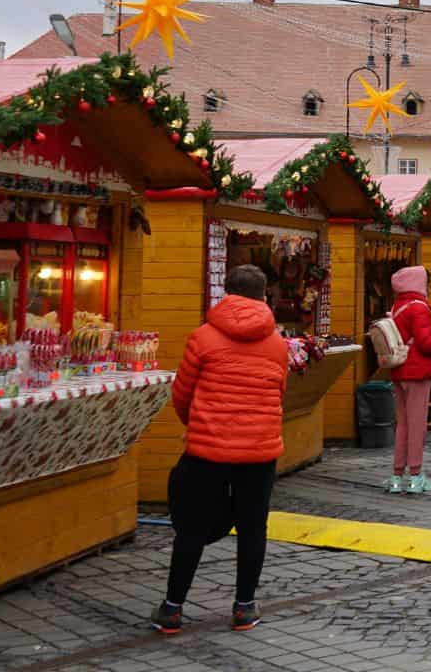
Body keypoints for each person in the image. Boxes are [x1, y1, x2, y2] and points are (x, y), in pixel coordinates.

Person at [155, 265, 290, 634]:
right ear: (264, 296)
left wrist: (200, 423)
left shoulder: (203, 337)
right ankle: (244, 606)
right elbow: (278, 393)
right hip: (259, 453)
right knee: (252, 528)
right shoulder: (277, 344)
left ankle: (172, 608)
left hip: (207, 450)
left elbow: (182, 393)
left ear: (225, 292)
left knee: (192, 529)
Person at [386, 266, 431, 494]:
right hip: (417, 372)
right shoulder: (419, 307)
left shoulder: (398, 306)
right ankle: (415, 476)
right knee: (417, 425)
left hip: (399, 370)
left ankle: (396, 477)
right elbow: (425, 344)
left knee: (402, 424)